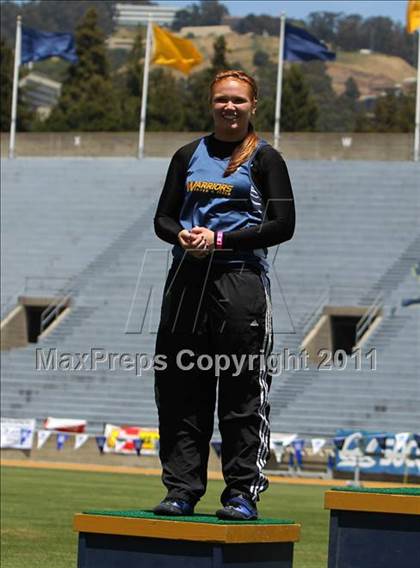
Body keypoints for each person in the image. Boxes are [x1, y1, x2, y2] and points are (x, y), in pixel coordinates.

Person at [152, 70, 295, 520]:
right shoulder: (186, 155)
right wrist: (183, 238)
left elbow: (282, 227)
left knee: (240, 387)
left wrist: (218, 241)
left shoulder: (267, 159)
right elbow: (163, 219)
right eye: (221, 100)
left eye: (237, 100)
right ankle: (181, 490)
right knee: (180, 389)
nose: (229, 107)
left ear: (253, 106)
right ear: (210, 104)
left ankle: (241, 492)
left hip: (240, 281)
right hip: (186, 281)